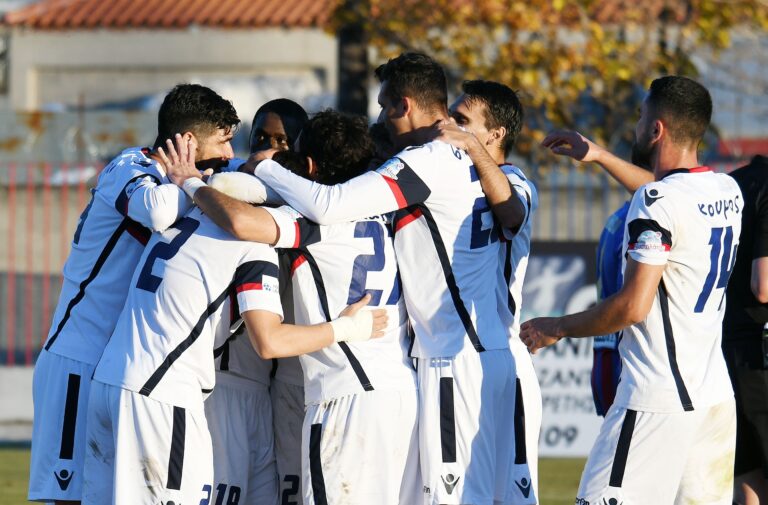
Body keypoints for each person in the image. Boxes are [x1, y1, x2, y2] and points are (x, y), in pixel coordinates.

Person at [249, 52, 535, 505]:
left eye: (385, 106)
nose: (381, 117)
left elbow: (329, 205)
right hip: (495, 356)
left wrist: (263, 166)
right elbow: (513, 215)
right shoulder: (491, 168)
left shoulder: (430, 159)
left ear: (404, 104)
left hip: (451, 361)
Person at [81, 134, 386, 505]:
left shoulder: (188, 214)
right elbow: (269, 341)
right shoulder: (252, 245)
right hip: (165, 393)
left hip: (111, 381)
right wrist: (347, 328)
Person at [166, 109, 421, 504]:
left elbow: (241, 222)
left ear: (310, 166)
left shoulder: (311, 220)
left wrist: (192, 183)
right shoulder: (382, 211)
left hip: (346, 396)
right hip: (401, 392)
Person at [521, 76, 742, 504]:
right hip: (714, 397)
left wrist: (558, 327)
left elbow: (633, 306)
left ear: (656, 129)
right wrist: (601, 156)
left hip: (655, 399)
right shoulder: (725, 189)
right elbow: (670, 197)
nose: (635, 126)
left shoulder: (657, 201)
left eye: (641, 117)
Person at [27, 83, 238, 505]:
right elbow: (158, 211)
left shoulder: (185, 180)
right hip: (78, 356)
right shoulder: (128, 166)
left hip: (115, 368)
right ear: (189, 142)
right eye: (223, 141)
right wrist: (190, 182)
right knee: (67, 497)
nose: (229, 155)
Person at [203, 99, 309, 505]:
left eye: (281, 141)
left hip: (270, 388)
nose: (266, 148)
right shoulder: (229, 188)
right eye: (260, 137)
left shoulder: (308, 201)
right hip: (223, 380)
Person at [445, 79, 542, 495]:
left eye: (463, 120)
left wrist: (470, 147)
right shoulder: (454, 181)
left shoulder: (513, 180)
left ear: (495, 134)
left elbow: (511, 212)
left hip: (505, 362)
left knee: (513, 497)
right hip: (463, 357)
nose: (451, 124)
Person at [722, 155, 768, 505]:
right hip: (759, 358)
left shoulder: (732, 184)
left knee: (747, 482)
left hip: (726, 353)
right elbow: (764, 285)